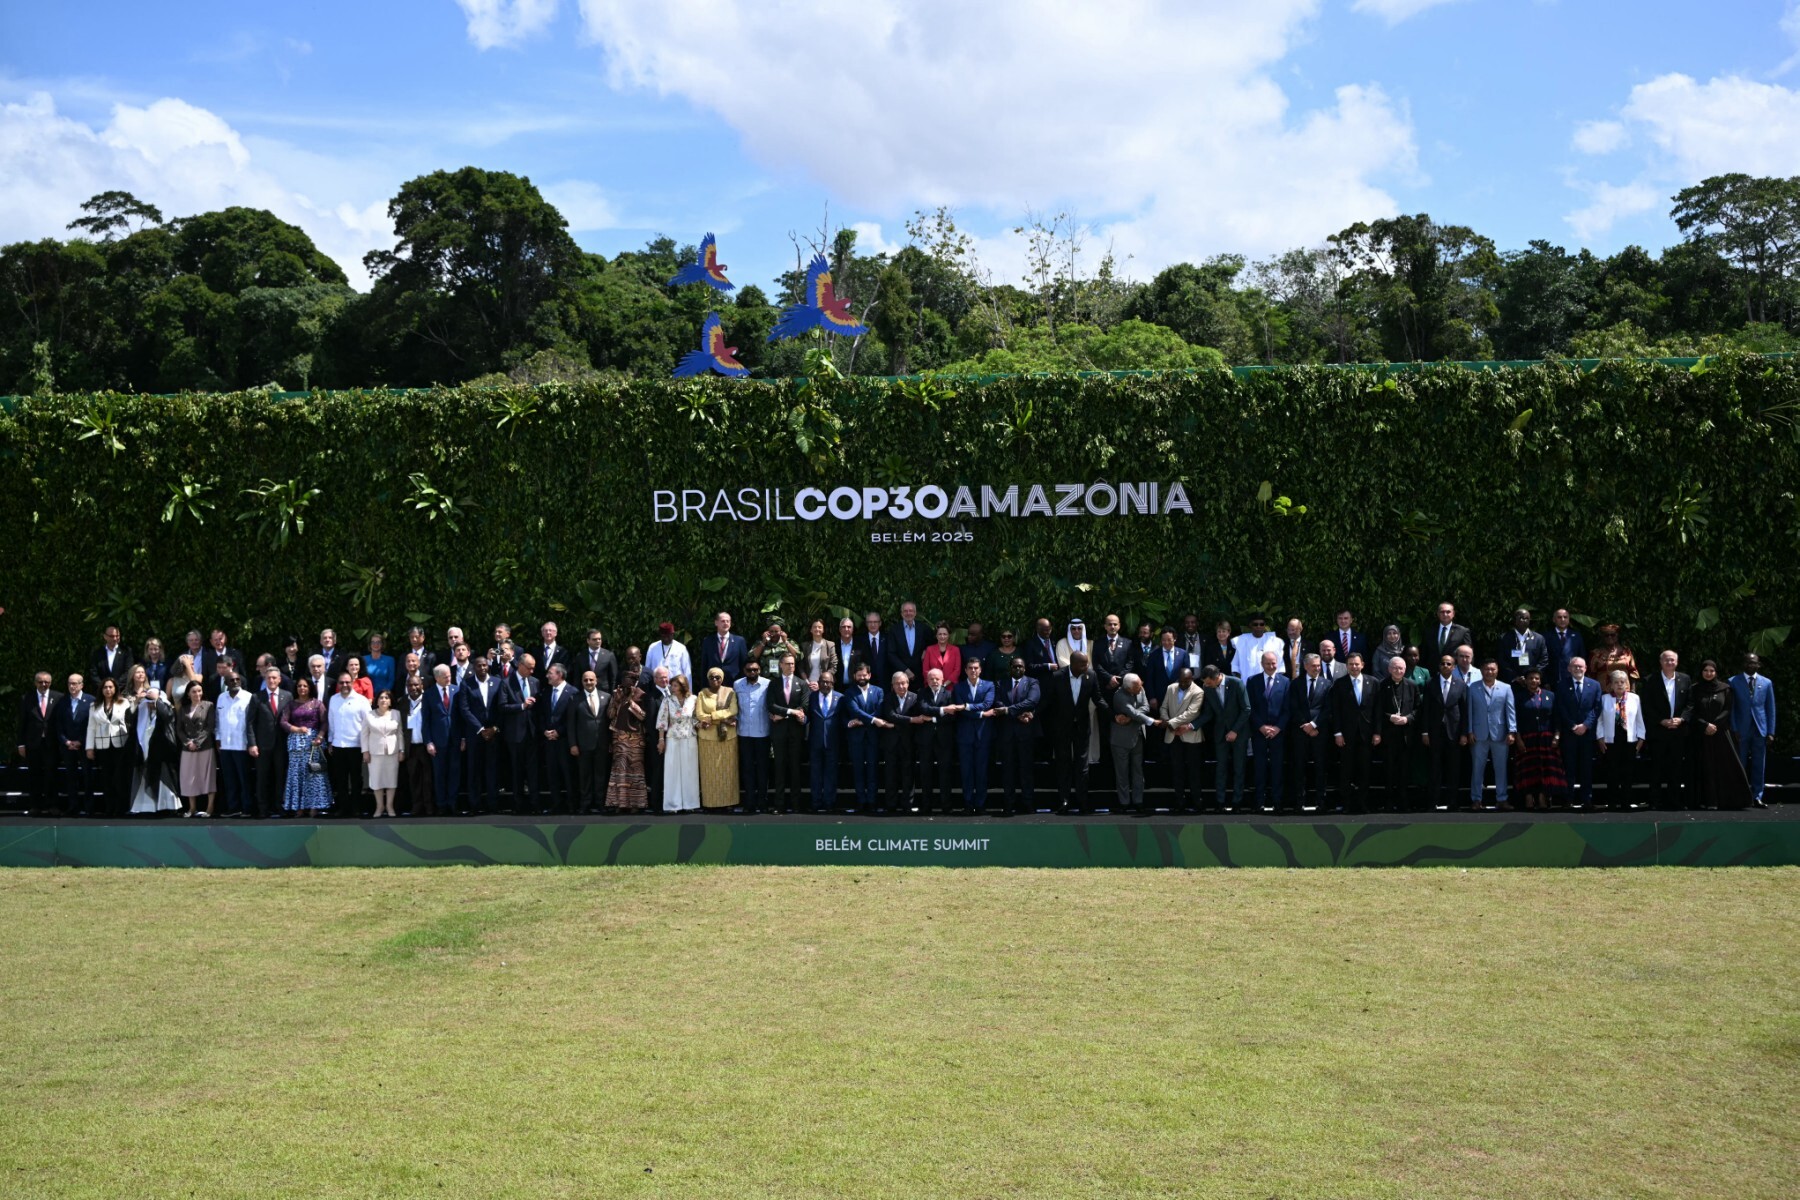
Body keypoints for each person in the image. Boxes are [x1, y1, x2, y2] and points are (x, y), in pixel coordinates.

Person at [1689, 660, 1753, 811]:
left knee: (1725, 767)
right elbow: (1692, 711)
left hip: (1721, 734)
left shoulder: (1725, 689)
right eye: (1706, 670)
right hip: (1701, 735)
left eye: (1712, 670)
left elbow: (1727, 709)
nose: (1709, 673)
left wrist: (1714, 725)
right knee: (1703, 767)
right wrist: (1705, 725)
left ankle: (1726, 801)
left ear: (1716, 672)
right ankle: (1705, 801)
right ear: (1701, 672)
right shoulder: (1695, 689)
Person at [1042, 650, 1098, 814]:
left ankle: (1083, 801)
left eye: (1086, 663)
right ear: (1072, 665)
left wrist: (1113, 715)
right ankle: (1064, 800)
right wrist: (1032, 713)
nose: (1086, 666)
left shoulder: (1091, 676)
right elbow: (1048, 701)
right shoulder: (1058, 676)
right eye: (1082, 664)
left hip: (1082, 727)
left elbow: (1098, 698)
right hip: (1062, 728)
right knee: (1063, 764)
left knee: (1082, 766)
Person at [1640, 650, 1692, 811]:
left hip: (1678, 731)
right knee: (1656, 768)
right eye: (1667, 660)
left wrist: (1681, 719)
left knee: (1676, 768)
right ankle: (1654, 801)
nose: (1670, 663)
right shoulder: (1650, 680)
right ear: (1661, 662)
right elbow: (1646, 706)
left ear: (1677, 662)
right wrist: (1660, 721)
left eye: (1673, 660)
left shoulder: (1685, 679)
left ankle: (1674, 801)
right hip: (1658, 731)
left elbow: (1690, 704)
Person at [1329, 654, 1379, 814]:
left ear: (1363, 664)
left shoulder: (1373, 682)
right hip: (1346, 735)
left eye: (1357, 664)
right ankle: (1347, 804)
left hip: (1366, 734)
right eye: (1350, 664)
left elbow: (1377, 710)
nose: (1354, 667)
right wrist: (1337, 733)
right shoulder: (1339, 684)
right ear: (1347, 666)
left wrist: (1377, 732)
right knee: (1346, 770)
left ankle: (1363, 803)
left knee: (1365, 770)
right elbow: (1335, 711)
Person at [1512, 668, 1567, 811]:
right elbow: (1515, 719)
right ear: (1526, 680)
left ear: (1540, 680)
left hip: (1546, 738)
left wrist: (1557, 735)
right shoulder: (1518, 697)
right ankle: (1528, 797)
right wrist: (1518, 738)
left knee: (1545, 770)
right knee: (1528, 770)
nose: (1534, 681)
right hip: (1527, 738)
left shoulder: (1550, 696)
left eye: (1536, 678)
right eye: (1530, 678)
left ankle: (1543, 797)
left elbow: (1556, 718)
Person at [1467, 659, 1518, 811]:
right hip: (1478, 734)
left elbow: (1510, 710)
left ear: (1497, 670)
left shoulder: (1506, 688)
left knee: (1501, 768)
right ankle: (1476, 799)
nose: (1490, 672)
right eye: (1487, 669)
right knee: (1477, 768)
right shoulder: (1472, 687)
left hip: (1500, 734)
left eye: (1492, 669)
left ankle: (1502, 799)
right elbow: (1469, 711)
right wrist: (1469, 730)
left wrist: (1512, 731)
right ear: (1481, 670)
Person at [1420, 653, 1468, 811]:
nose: (1445, 666)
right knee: (1434, 769)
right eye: (1442, 664)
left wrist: (1463, 734)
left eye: (1449, 664)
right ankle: (1432, 802)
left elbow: (1464, 711)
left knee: (1453, 769)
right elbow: (1425, 709)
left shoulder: (1461, 685)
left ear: (1454, 667)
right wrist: (1425, 732)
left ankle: (1452, 802)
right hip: (1434, 733)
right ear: (1439, 666)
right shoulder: (1430, 684)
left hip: (1454, 734)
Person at [994, 657, 1040, 816]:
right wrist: (1016, 714)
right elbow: (998, 703)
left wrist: (1009, 710)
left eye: (1021, 666)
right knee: (1008, 771)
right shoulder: (1001, 683)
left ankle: (1028, 804)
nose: (1018, 669)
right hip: (1007, 734)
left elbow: (1032, 701)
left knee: (1026, 770)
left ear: (1025, 668)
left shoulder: (1032, 682)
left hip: (1025, 734)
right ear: (1010, 668)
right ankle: (1009, 804)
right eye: (1015, 667)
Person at [1729, 654, 1777, 808]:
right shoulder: (1733, 682)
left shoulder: (1767, 682)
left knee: (1759, 764)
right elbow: (1731, 709)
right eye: (1748, 662)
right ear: (1743, 663)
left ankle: (1757, 796)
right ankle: (1740, 796)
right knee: (1740, 764)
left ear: (1759, 665)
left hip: (1760, 730)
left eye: (1754, 662)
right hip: (1741, 730)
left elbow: (1771, 709)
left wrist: (1771, 732)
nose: (1751, 664)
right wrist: (1734, 728)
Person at [1554, 656, 1602, 809]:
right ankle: (1568, 799)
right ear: (1569, 669)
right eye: (1574, 666)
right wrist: (1573, 726)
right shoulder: (1561, 686)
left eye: (1580, 666)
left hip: (1587, 734)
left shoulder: (1594, 685)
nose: (1577, 669)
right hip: (1570, 733)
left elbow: (1597, 707)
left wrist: (1586, 725)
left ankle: (1586, 799)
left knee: (1586, 767)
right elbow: (1560, 708)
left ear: (1586, 668)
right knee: (1569, 767)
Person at [128, 675, 180, 816]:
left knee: (164, 781)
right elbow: (130, 720)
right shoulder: (143, 713)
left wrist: (157, 699)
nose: (151, 705)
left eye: (153, 702)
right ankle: (147, 808)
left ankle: (167, 808)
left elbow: (167, 716)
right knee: (145, 779)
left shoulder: (166, 710)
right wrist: (140, 701)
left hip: (163, 755)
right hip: (146, 754)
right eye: (149, 702)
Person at [1246, 650, 1291, 812]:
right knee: (1259, 768)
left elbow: (1287, 709)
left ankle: (1278, 802)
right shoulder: (1252, 681)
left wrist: (1278, 728)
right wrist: (1261, 726)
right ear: (1262, 664)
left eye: (1274, 663)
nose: (1271, 666)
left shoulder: (1286, 682)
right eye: (1268, 663)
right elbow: (1249, 707)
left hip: (1278, 733)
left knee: (1277, 768)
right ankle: (1259, 802)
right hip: (1259, 732)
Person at [1288, 654, 1333, 812]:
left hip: (1319, 732)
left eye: (1318, 665)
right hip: (1300, 732)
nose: (1317, 668)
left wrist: (1314, 725)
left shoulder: (1327, 684)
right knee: (1299, 767)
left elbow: (1328, 708)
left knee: (1321, 767)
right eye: (1313, 666)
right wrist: (1304, 725)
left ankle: (1321, 802)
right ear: (1305, 666)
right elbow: (1293, 706)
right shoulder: (1295, 684)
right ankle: (1299, 802)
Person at [457, 655, 502, 815]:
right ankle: (474, 805)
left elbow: (501, 707)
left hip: (493, 734)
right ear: (474, 667)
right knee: (474, 770)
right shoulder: (466, 684)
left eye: (484, 665)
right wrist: (480, 729)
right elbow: (465, 709)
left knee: (492, 769)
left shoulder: (497, 682)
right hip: (475, 734)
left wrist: (493, 728)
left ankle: (493, 804)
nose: (482, 668)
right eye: (479, 666)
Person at [950, 658, 996, 813]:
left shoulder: (989, 685)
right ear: (965, 670)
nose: (973, 670)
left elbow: (987, 704)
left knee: (981, 770)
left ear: (980, 670)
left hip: (983, 735)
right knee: (966, 771)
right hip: (965, 735)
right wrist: (982, 714)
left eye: (976, 668)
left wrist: (967, 706)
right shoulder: (958, 687)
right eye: (970, 668)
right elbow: (961, 712)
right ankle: (968, 803)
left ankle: (980, 804)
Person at [1108, 673, 1158, 816]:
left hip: (1138, 736)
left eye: (1140, 685)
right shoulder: (1119, 696)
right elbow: (1134, 712)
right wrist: (1150, 721)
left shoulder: (1140, 688)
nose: (1140, 689)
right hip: (1121, 739)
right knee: (1122, 773)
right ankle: (1124, 803)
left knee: (1138, 771)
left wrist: (1132, 716)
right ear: (1128, 688)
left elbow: (1145, 707)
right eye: (1137, 688)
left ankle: (1138, 801)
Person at [84, 677, 133, 817]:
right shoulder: (94, 706)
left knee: (120, 777)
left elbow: (128, 722)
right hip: (102, 745)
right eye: (105, 687)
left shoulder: (123, 703)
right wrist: (89, 747)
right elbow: (91, 728)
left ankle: (121, 807)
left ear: (115, 689)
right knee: (106, 778)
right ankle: (109, 807)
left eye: (111, 687)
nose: (108, 690)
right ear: (101, 689)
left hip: (120, 744)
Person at [1596, 669, 1645, 809]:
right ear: (1610, 685)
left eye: (1622, 682)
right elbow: (1599, 721)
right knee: (1612, 772)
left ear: (1627, 684)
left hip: (1630, 740)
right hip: (1611, 740)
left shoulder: (1634, 698)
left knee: (1628, 772)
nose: (1619, 685)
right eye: (1616, 682)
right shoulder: (1604, 698)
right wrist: (1600, 738)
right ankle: (1612, 802)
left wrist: (1641, 738)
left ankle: (1626, 802)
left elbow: (1639, 719)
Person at [1201, 665, 1249, 811]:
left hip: (1239, 732)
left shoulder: (1236, 683)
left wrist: (1234, 730)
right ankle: (1220, 802)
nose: (1206, 685)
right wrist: (1191, 726)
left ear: (1217, 678)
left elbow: (1246, 709)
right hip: (1220, 733)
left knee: (1239, 767)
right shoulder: (1208, 688)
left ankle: (1237, 802)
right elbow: (1208, 713)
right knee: (1220, 767)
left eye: (1208, 682)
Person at [500, 654, 543, 813]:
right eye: (529, 667)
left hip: (532, 734)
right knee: (517, 771)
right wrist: (522, 706)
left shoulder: (535, 682)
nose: (532, 671)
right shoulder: (506, 683)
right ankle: (518, 805)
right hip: (515, 734)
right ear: (520, 665)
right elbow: (502, 707)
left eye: (533, 668)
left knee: (533, 771)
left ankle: (535, 804)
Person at [20, 669, 67, 813]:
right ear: (35, 683)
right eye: (40, 682)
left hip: (52, 743)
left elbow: (62, 721)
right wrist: (20, 744)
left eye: (46, 682)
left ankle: (52, 805)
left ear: (50, 683)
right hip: (33, 743)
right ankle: (35, 806)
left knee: (51, 774)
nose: (43, 684)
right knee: (34, 774)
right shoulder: (27, 698)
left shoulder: (59, 697)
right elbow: (22, 723)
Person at [1375, 654, 1418, 812]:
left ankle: (1404, 803)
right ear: (1389, 669)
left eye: (1401, 668)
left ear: (1405, 669)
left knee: (1404, 771)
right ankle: (1388, 802)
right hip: (1388, 736)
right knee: (1389, 771)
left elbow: (1417, 709)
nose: (1398, 670)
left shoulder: (1412, 685)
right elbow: (1377, 709)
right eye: (1395, 667)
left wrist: (1408, 719)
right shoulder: (1381, 685)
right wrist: (1389, 717)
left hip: (1406, 736)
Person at [1161, 665, 1206, 814]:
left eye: (1185, 681)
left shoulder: (1198, 691)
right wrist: (1167, 722)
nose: (1182, 684)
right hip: (1174, 736)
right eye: (1180, 681)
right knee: (1177, 770)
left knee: (1194, 771)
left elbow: (1192, 713)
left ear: (1191, 679)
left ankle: (1197, 801)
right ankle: (1179, 801)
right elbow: (1163, 708)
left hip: (1190, 736)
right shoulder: (1171, 688)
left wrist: (1172, 724)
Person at [768, 654, 810, 813]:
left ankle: (796, 804)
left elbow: (804, 706)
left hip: (796, 732)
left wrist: (784, 715)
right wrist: (791, 712)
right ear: (780, 665)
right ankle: (779, 805)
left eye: (793, 664)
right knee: (779, 768)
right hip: (778, 733)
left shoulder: (801, 683)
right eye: (788, 664)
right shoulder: (774, 683)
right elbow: (771, 705)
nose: (791, 666)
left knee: (795, 768)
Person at [877, 670, 924, 813]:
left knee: (908, 775)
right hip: (891, 743)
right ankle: (891, 805)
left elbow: (915, 716)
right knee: (890, 774)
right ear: (892, 685)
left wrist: (904, 721)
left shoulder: (916, 698)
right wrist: (911, 720)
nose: (901, 686)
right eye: (897, 684)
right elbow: (891, 716)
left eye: (903, 683)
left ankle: (907, 805)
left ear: (908, 683)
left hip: (909, 742)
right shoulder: (888, 698)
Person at [325, 675, 371, 817]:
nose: (344, 685)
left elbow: (368, 723)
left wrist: (366, 746)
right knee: (341, 779)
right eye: (341, 682)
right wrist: (331, 741)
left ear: (352, 683)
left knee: (356, 779)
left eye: (347, 682)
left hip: (356, 745)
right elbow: (331, 721)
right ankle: (343, 808)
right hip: (338, 745)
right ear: (337, 684)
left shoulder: (361, 700)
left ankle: (357, 808)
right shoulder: (334, 699)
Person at [695, 667, 740, 811]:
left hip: (728, 737)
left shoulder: (730, 692)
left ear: (722, 679)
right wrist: (724, 719)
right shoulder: (702, 694)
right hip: (707, 739)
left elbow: (733, 711)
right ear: (708, 679)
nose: (715, 680)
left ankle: (729, 802)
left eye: (718, 677)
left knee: (728, 771)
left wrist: (713, 717)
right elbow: (700, 715)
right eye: (712, 677)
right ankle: (710, 803)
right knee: (709, 772)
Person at [567, 669, 612, 814]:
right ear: (581, 682)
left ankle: (600, 803)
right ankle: (585, 804)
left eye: (591, 680)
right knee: (584, 776)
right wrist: (573, 744)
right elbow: (571, 724)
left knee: (601, 775)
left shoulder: (607, 697)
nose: (588, 682)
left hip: (602, 744)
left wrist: (611, 742)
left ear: (596, 681)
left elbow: (610, 722)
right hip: (583, 745)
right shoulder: (575, 698)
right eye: (585, 680)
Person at [247, 666, 289, 819]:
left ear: (279, 680)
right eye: (268, 678)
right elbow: (250, 722)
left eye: (274, 678)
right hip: (262, 745)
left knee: (280, 776)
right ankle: (262, 809)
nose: (271, 680)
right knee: (262, 777)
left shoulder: (288, 696)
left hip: (282, 745)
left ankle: (279, 806)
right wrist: (252, 744)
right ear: (265, 680)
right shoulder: (257, 697)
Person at [656, 674, 701, 813]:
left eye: (675, 685)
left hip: (689, 737)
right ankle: (672, 804)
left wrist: (701, 724)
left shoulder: (693, 699)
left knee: (690, 771)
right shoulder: (667, 700)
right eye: (672, 685)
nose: (672, 687)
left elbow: (695, 718)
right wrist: (661, 740)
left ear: (682, 686)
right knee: (672, 771)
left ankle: (690, 804)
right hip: (672, 738)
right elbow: (662, 721)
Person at [605, 669, 648, 812]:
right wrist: (616, 701)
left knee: (636, 770)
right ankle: (620, 803)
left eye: (630, 678)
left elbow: (643, 716)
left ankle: (636, 803)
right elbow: (610, 715)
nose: (626, 682)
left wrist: (631, 702)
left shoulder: (640, 694)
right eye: (624, 678)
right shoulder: (617, 694)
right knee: (620, 770)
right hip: (620, 737)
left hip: (636, 739)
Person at [422, 664, 462, 816]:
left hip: (455, 739)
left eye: (449, 676)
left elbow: (461, 716)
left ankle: (453, 803)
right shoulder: (429, 694)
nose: (449, 679)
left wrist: (463, 737)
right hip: (438, 742)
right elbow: (426, 721)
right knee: (439, 774)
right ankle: (441, 804)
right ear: (437, 678)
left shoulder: (456, 690)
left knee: (455, 772)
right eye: (445, 677)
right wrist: (428, 742)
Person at [172, 681, 216, 819]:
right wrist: (187, 742)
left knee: (207, 777)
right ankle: (192, 808)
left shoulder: (208, 706)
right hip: (188, 748)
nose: (197, 694)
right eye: (194, 691)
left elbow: (209, 727)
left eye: (199, 691)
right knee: (188, 778)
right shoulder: (183, 709)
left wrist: (197, 742)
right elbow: (179, 729)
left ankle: (209, 807)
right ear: (188, 694)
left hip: (205, 746)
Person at [844, 661, 884, 813]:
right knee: (858, 770)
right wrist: (872, 720)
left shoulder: (879, 691)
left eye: (864, 674)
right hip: (856, 739)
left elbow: (879, 711)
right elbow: (854, 711)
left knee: (873, 770)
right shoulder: (849, 692)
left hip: (873, 738)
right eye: (859, 675)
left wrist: (862, 721)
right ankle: (861, 801)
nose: (862, 677)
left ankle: (872, 801)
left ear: (870, 675)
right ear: (854, 676)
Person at [918, 667, 959, 814]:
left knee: (945, 773)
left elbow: (953, 715)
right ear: (927, 680)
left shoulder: (949, 694)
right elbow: (923, 708)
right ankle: (926, 806)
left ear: (942, 680)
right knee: (925, 773)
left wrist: (933, 718)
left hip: (944, 739)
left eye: (937, 679)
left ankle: (946, 806)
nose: (934, 681)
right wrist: (942, 711)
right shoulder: (922, 693)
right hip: (926, 740)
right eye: (931, 678)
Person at [214, 673, 255, 817]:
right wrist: (218, 738)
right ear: (225, 682)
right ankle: (233, 808)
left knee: (244, 779)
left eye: (238, 679)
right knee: (229, 779)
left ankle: (247, 808)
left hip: (242, 745)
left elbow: (251, 722)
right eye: (231, 680)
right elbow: (218, 720)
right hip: (225, 745)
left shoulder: (248, 697)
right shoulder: (221, 698)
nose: (235, 682)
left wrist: (251, 743)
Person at [806, 672, 847, 813]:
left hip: (833, 742)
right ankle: (816, 802)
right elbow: (808, 717)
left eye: (828, 682)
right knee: (815, 773)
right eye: (822, 681)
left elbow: (843, 719)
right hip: (815, 742)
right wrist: (801, 718)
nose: (825, 684)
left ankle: (829, 803)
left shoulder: (840, 698)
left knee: (831, 774)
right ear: (818, 682)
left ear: (832, 683)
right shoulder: (812, 697)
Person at [734, 660, 771, 812]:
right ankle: (749, 802)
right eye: (749, 670)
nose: (752, 673)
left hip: (762, 732)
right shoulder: (737, 685)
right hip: (744, 732)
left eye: (755, 669)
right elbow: (734, 706)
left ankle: (762, 802)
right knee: (747, 769)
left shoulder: (768, 684)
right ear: (744, 670)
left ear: (760, 670)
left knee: (763, 769)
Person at [54, 673, 93, 816]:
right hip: (68, 746)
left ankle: (89, 807)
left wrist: (81, 741)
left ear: (82, 685)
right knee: (71, 777)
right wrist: (66, 741)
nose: (72, 686)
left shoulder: (91, 701)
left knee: (87, 776)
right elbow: (58, 724)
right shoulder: (62, 701)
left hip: (84, 745)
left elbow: (92, 724)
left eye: (75, 683)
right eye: (70, 683)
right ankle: (73, 806)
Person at [539, 664, 576, 815]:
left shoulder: (573, 692)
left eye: (550, 673)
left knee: (568, 774)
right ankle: (556, 804)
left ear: (560, 675)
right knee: (552, 774)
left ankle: (572, 805)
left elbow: (572, 719)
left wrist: (559, 732)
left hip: (565, 741)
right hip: (549, 741)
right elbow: (541, 715)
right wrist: (545, 731)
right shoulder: (546, 692)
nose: (547, 676)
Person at [361, 691, 402, 818]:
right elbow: (364, 734)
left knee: (391, 781)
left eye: (386, 698)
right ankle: (379, 806)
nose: (384, 700)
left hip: (392, 752)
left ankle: (389, 806)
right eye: (381, 698)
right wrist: (365, 751)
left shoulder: (396, 714)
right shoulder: (369, 715)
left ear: (390, 701)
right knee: (376, 781)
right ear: (376, 700)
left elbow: (400, 733)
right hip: (375, 753)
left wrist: (402, 750)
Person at [399, 673, 434, 817]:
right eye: (410, 685)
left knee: (428, 779)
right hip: (411, 747)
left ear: (422, 686)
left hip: (426, 746)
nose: (413, 688)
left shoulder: (429, 700)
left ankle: (430, 807)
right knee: (413, 779)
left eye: (416, 685)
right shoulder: (402, 703)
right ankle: (417, 807)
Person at [640, 666, 672, 814]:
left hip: (674, 741)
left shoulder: (673, 692)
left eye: (666, 677)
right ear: (655, 680)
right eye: (661, 678)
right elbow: (651, 722)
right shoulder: (651, 696)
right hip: (658, 742)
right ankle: (656, 805)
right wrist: (658, 742)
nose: (665, 680)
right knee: (657, 773)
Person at [1496, 609, 1549, 686]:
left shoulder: (1539, 639)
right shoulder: (1505, 638)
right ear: (1515, 620)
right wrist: (1514, 677)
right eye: (1521, 618)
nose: (1524, 620)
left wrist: (1532, 676)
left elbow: (1544, 660)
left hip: (1533, 683)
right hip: (1512, 682)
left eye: (1526, 618)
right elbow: (1502, 660)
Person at [699, 612, 749, 685]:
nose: (725, 623)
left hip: (733, 685)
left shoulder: (739, 641)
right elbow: (704, 665)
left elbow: (744, 664)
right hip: (713, 684)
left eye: (728, 621)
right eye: (723, 621)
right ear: (716, 623)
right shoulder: (708, 641)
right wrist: (704, 686)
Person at [1230, 615, 1282, 682]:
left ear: (1264, 626)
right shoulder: (1242, 641)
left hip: (1268, 683)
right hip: (1247, 682)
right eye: (1255, 624)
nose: (1258, 626)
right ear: (1250, 626)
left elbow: (1280, 665)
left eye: (1261, 624)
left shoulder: (1274, 641)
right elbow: (1235, 666)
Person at [1093, 615, 1132, 699]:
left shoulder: (1128, 643)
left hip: (1122, 686)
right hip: (1104, 686)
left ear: (1119, 626)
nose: (1112, 627)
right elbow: (1096, 664)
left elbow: (1130, 663)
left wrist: (1118, 679)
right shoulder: (1098, 643)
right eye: (1110, 624)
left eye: (1115, 624)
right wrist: (1109, 678)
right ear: (1105, 626)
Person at [1545, 609, 1586, 689]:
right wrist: (1545, 681)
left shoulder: (1576, 636)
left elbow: (1582, 657)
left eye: (1565, 617)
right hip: (1552, 680)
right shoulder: (1546, 636)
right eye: (1559, 617)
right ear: (1554, 620)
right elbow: (1543, 660)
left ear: (1568, 619)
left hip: (1571, 678)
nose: (1562, 620)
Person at [88, 625, 135, 696]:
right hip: (102, 694)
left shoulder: (126, 652)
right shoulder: (97, 653)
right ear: (105, 636)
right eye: (112, 636)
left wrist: (115, 687)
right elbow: (93, 672)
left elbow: (128, 671)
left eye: (117, 636)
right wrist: (104, 688)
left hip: (121, 693)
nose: (115, 638)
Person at [892, 601, 928, 684]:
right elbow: (891, 653)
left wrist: (926, 650)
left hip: (920, 675)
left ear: (915, 613)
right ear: (901, 613)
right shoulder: (894, 630)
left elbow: (932, 643)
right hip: (901, 675)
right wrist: (905, 670)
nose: (908, 613)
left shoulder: (923, 628)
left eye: (911, 611)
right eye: (905, 611)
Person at [799, 619, 839, 691]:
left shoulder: (830, 645)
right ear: (811, 630)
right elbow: (801, 666)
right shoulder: (805, 646)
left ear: (823, 630)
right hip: (808, 685)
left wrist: (821, 682)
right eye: (814, 627)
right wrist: (806, 681)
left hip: (826, 685)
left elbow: (834, 665)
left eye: (820, 627)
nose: (817, 629)